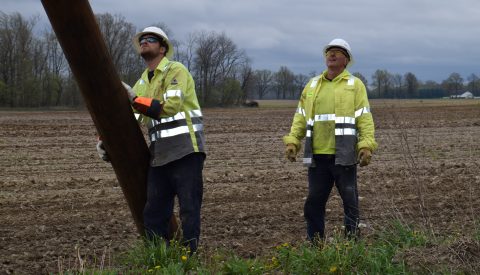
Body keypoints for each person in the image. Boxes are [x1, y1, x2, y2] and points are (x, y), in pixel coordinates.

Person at [97, 26, 206, 252]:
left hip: (186, 152)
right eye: (142, 40)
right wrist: (105, 139)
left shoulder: (176, 71)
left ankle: (190, 258)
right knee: (154, 213)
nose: (144, 42)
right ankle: (159, 258)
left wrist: (135, 99)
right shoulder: (143, 82)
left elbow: (171, 106)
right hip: (159, 157)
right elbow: (128, 117)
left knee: (189, 208)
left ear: (163, 48)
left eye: (150, 39)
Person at [283, 38, 377, 242]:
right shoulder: (312, 84)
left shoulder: (354, 85)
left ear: (346, 60)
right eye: (329, 52)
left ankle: (352, 244)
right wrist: (293, 141)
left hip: (344, 155)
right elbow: (300, 115)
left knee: (350, 202)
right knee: (314, 202)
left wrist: (366, 144)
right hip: (317, 156)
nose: (332, 55)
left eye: (337, 52)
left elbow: (364, 117)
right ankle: (315, 244)